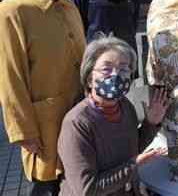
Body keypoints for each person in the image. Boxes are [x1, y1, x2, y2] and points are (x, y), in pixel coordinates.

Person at [0, 0, 86, 195]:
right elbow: (9, 76)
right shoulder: (11, 11)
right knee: (48, 183)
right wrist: (23, 130)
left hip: (80, 113)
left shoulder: (68, 6)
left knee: (78, 177)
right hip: (45, 124)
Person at [58, 35, 168, 195]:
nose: (115, 76)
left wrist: (151, 123)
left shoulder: (125, 107)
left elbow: (131, 149)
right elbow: (87, 190)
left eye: (124, 69)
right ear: (89, 79)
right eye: (106, 69)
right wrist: (133, 166)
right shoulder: (76, 123)